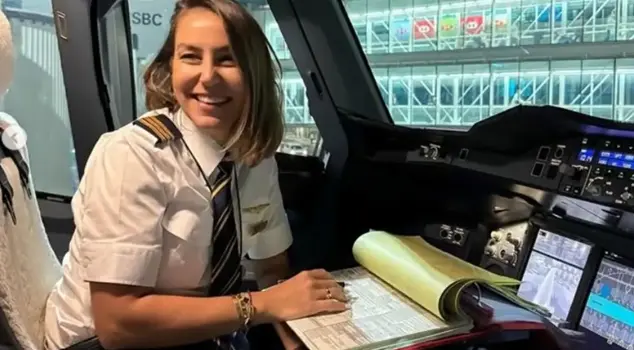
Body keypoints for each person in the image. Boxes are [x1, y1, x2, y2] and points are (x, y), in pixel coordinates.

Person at [43, 1, 347, 349]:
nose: (208, 76)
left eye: (226, 59)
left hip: (201, 334)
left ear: (254, 73)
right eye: (190, 56)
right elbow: (117, 323)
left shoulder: (253, 156)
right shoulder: (131, 156)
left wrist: (301, 338)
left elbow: (271, 269)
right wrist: (261, 306)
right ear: (169, 67)